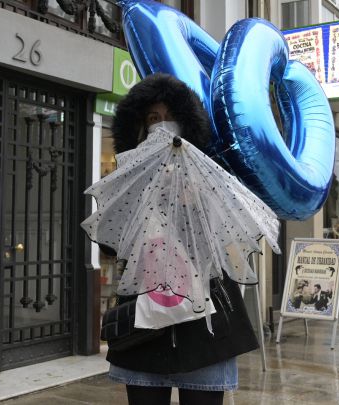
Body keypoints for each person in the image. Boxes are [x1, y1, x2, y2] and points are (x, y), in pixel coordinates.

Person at [92, 73, 265, 405]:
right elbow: (110, 247)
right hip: (143, 326)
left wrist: (194, 203)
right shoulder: (126, 179)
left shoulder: (210, 173)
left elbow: (223, 244)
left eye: (170, 118)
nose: (162, 126)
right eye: (153, 118)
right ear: (140, 128)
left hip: (204, 327)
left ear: (186, 124)